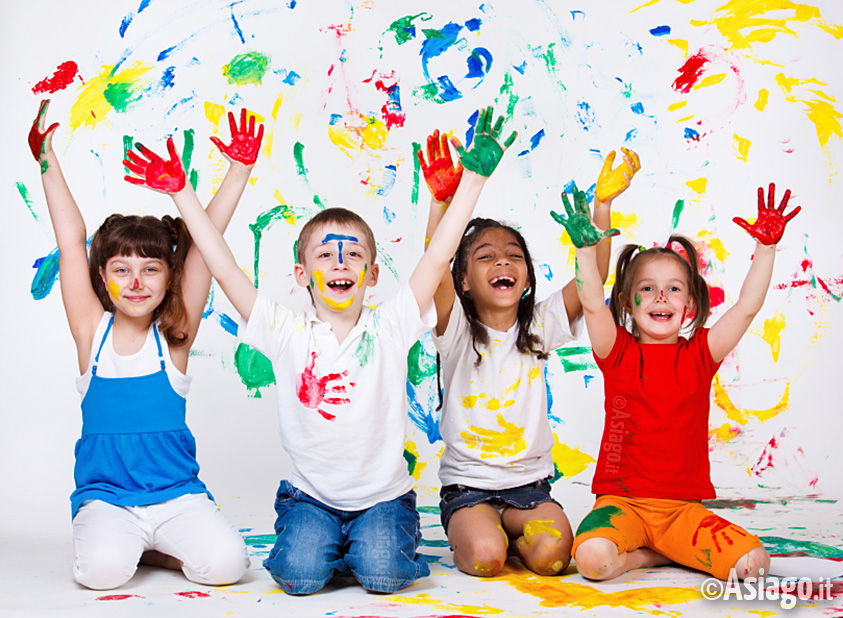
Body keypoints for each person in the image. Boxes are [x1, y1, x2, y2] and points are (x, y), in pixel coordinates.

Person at [125, 106, 515, 594]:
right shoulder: (285, 331)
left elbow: (438, 257)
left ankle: (371, 544)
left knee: (383, 575)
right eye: (326, 254)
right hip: (311, 499)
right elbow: (223, 269)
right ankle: (336, 541)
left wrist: (473, 180)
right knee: (299, 577)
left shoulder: (390, 324)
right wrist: (182, 193)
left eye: (354, 254)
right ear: (301, 274)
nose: (340, 262)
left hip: (382, 500)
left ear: (371, 276)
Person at [29, 100, 262, 590]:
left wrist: (238, 171)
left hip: (177, 496)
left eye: (150, 269)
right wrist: (47, 161)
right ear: (103, 277)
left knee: (228, 567)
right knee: (102, 574)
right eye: (121, 270)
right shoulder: (92, 333)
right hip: (107, 498)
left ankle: (157, 548)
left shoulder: (174, 335)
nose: (135, 283)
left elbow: (206, 243)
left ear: (168, 277)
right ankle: (131, 545)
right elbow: (71, 241)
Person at [420, 130, 640, 577]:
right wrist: (441, 204)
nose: (503, 262)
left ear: (526, 276)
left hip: (531, 490)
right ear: (463, 280)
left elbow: (591, 282)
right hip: (468, 489)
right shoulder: (456, 327)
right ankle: (488, 534)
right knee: (485, 559)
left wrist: (600, 210)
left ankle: (512, 535)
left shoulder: (539, 326)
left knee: (555, 558)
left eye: (514, 256)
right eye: (485, 257)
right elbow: (434, 269)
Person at [571, 182, 801, 581]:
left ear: (691, 303)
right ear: (627, 302)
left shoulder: (700, 354)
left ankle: (659, 550)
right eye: (648, 289)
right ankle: (653, 555)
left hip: (682, 512)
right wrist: (584, 248)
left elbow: (747, 307)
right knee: (592, 559)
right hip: (620, 506)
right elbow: (591, 299)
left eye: (673, 289)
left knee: (755, 565)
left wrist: (766, 248)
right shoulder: (616, 350)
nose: (661, 297)